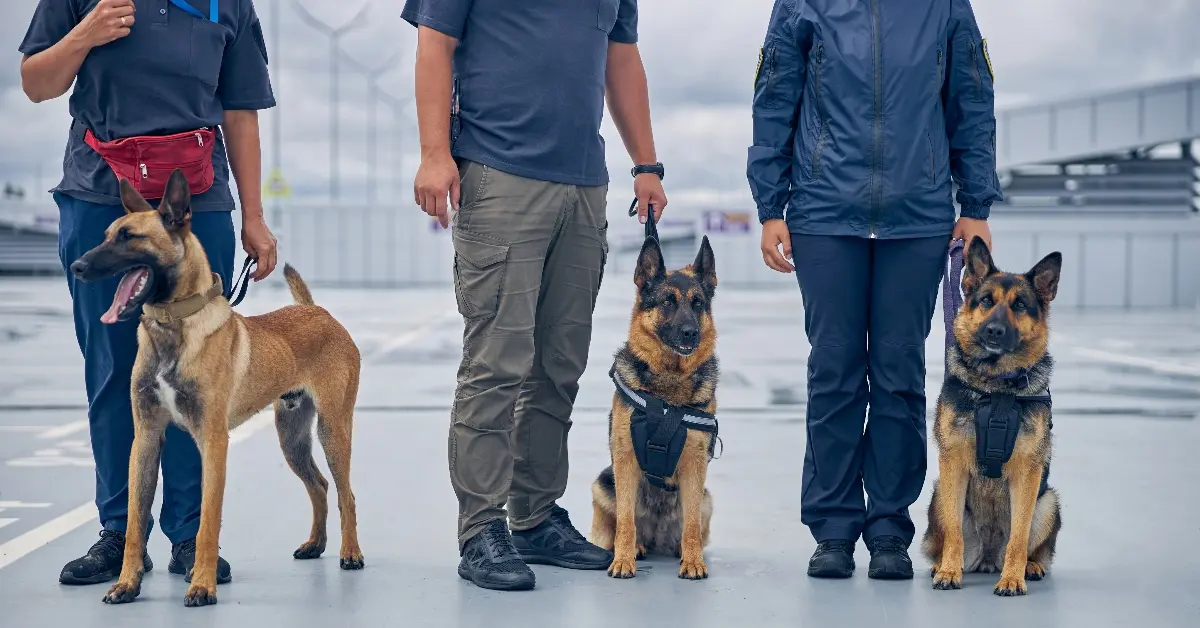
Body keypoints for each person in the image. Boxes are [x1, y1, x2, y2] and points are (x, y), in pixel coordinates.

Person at [402, 0, 668, 591]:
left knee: (559, 367)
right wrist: (433, 152)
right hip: (499, 174)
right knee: (497, 363)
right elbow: (434, 41)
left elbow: (619, 56)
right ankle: (481, 529)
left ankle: (533, 516)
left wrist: (646, 163)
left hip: (583, 184)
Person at [18, 0, 277, 585]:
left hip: (197, 204)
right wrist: (84, 34)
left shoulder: (227, 4)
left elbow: (240, 112)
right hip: (101, 198)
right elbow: (37, 83)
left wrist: (254, 216)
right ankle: (118, 532)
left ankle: (188, 537)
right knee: (114, 371)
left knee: (199, 375)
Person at [747, 0, 1001, 580]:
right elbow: (774, 99)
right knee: (834, 369)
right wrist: (771, 205)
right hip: (823, 213)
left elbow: (972, 99)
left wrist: (977, 204)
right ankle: (833, 528)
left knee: (898, 372)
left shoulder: (945, 7)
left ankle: (889, 525)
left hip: (918, 217)